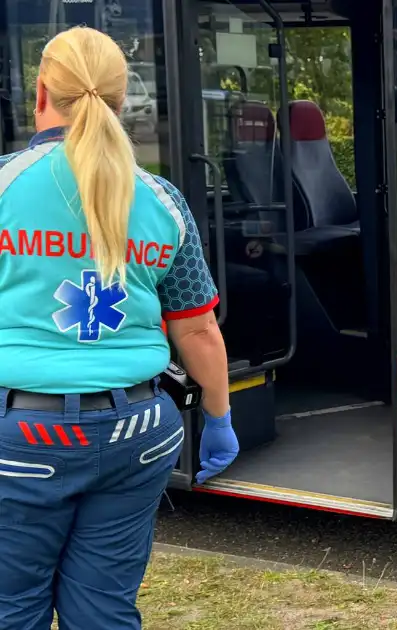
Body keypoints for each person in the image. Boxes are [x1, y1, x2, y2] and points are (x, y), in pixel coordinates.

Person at [0, 27, 240, 629]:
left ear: (41, 93)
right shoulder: (162, 201)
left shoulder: (5, 183)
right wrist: (218, 418)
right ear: (120, 100)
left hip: (20, 438)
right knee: (104, 610)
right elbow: (198, 331)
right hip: (140, 431)